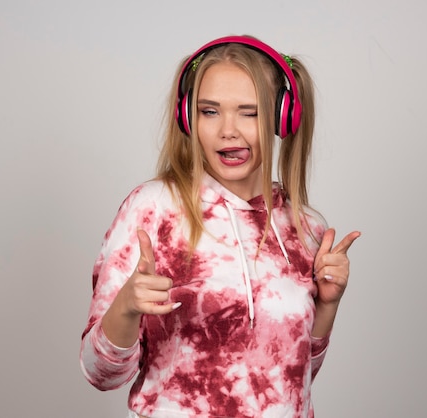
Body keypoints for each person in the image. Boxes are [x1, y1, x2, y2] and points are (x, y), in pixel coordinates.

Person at [80, 34, 361, 418]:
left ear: (283, 118)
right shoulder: (153, 210)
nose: (228, 130)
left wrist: (327, 305)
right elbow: (101, 374)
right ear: (188, 117)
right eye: (210, 111)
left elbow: (296, 378)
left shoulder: (306, 228)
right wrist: (126, 308)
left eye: (250, 112)